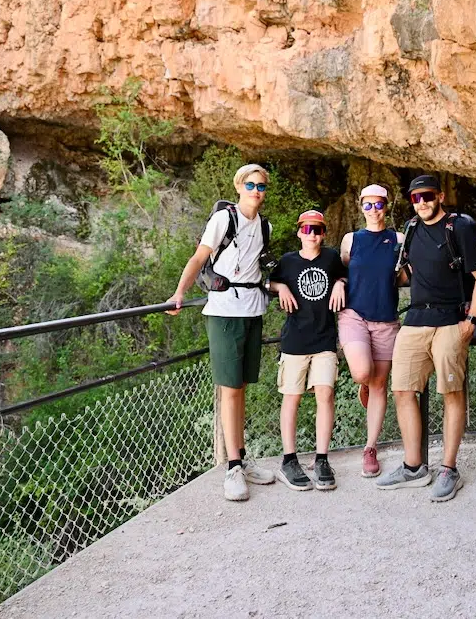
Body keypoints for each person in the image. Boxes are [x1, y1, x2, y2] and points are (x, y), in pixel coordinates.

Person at [376, 174, 476, 502]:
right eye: (416, 198)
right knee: (402, 389)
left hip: (450, 321)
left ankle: (448, 469)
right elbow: (409, 272)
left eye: (427, 196)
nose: (422, 203)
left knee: (451, 392)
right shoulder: (411, 230)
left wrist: (472, 319)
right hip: (415, 320)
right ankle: (414, 466)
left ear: (440, 196)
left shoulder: (459, 228)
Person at [167, 163, 277, 502]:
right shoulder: (223, 220)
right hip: (224, 310)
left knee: (241, 386)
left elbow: (259, 267)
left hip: (252, 308)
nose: (256, 191)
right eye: (250, 185)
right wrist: (179, 293)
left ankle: (241, 459)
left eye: (261, 186)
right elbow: (199, 257)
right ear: (239, 187)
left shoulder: (265, 226)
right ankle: (232, 468)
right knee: (230, 388)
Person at [267, 210, 348, 491]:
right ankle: (289, 459)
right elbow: (267, 281)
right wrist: (281, 288)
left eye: (317, 229)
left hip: (324, 337)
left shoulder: (331, 258)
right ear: (299, 232)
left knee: (325, 393)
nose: (312, 234)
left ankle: (322, 457)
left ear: (324, 233)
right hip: (295, 340)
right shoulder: (288, 261)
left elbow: (344, 276)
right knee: (292, 397)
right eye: (307, 229)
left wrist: (339, 283)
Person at [338, 184, 405, 478]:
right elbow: (342, 269)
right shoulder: (351, 239)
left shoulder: (398, 239)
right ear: (360, 207)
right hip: (355, 315)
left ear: (387, 207)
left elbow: (405, 274)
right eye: (368, 205)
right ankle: (362, 384)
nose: (374, 211)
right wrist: (339, 282)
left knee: (380, 386)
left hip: (386, 320)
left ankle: (370, 448)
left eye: (379, 205)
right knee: (362, 373)